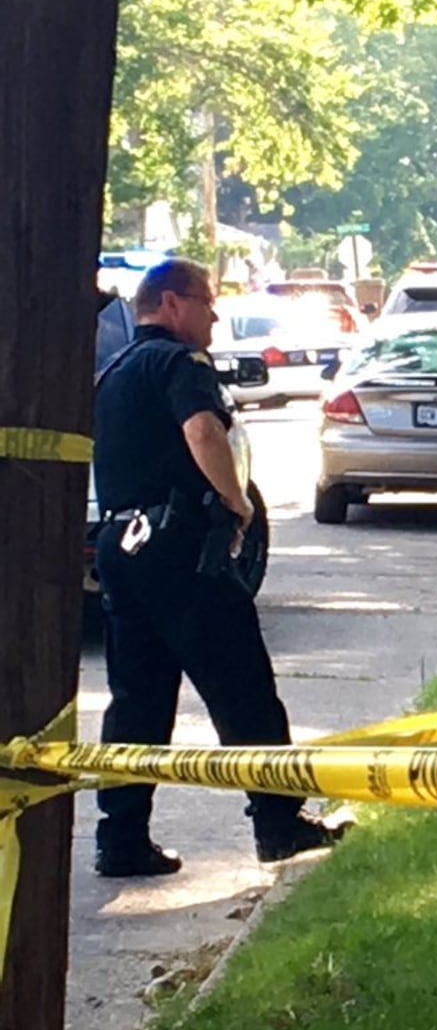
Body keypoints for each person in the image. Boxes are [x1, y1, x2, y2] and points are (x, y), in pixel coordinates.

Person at [92, 258, 348, 878]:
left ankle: (121, 838)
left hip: (122, 547)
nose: (213, 315)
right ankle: (279, 824)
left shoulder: (113, 371)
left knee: (137, 699)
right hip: (183, 551)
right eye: (206, 302)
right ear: (173, 303)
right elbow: (204, 432)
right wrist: (236, 503)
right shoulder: (182, 365)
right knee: (243, 689)